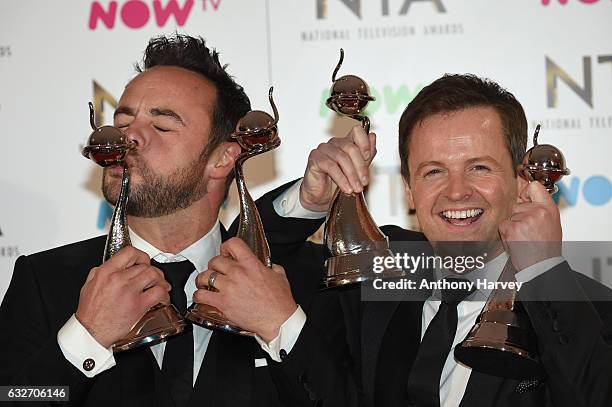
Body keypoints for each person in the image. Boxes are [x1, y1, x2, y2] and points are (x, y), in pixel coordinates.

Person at [194, 74, 612, 406]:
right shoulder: (377, 265)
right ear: (408, 190)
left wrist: (543, 271)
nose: (456, 192)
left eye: (479, 168)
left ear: (523, 182)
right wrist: (309, 200)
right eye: (433, 172)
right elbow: (237, 260)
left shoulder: (585, 310)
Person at [0, 33, 323, 407]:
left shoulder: (292, 281)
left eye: (161, 125)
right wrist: (86, 338)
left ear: (222, 159)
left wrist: (280, 327)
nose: (129, 137)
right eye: (123, 123)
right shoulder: (44, 279)